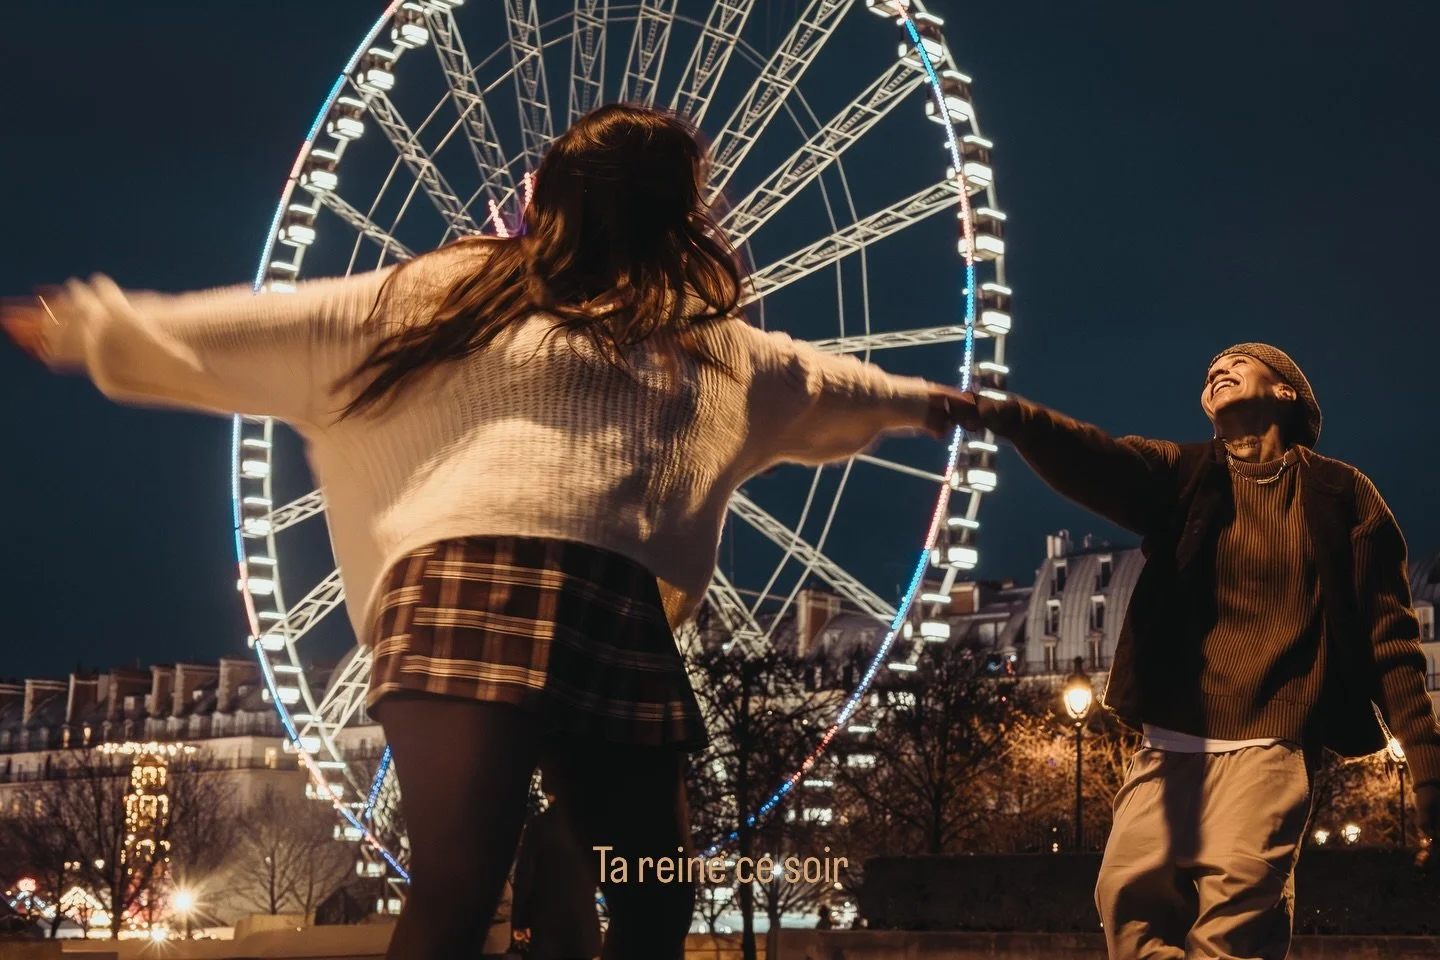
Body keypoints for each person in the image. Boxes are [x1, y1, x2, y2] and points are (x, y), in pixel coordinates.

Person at [1, 103, 968, 960]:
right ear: (682, 216)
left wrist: (88, 328)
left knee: (474, 891)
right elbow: (839, 385)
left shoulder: (485, 301)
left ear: (545, 192)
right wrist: (947, 406)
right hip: (606, 603)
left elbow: (269, 327)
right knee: (644, 895)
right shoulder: (696, 345)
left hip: (465, 593)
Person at [947, 344, 1440, 960]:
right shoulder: (1181, 474)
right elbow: (1095, 458)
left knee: (1234, 926)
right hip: (1170, 743)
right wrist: (1011, 418)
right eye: (1210, 371)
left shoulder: (1343, 495)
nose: (1218, 370)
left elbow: (1390, 646)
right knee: (1123, 911)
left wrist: (1428, 773)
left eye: (1238, 361)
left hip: (1269, 744)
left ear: (1286, 391)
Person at [509, 777, 601, 960]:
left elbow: (525, 875)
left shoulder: (539, 826)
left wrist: (519, 920)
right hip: (584, 926)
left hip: (547, 929)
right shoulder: (592, 826)